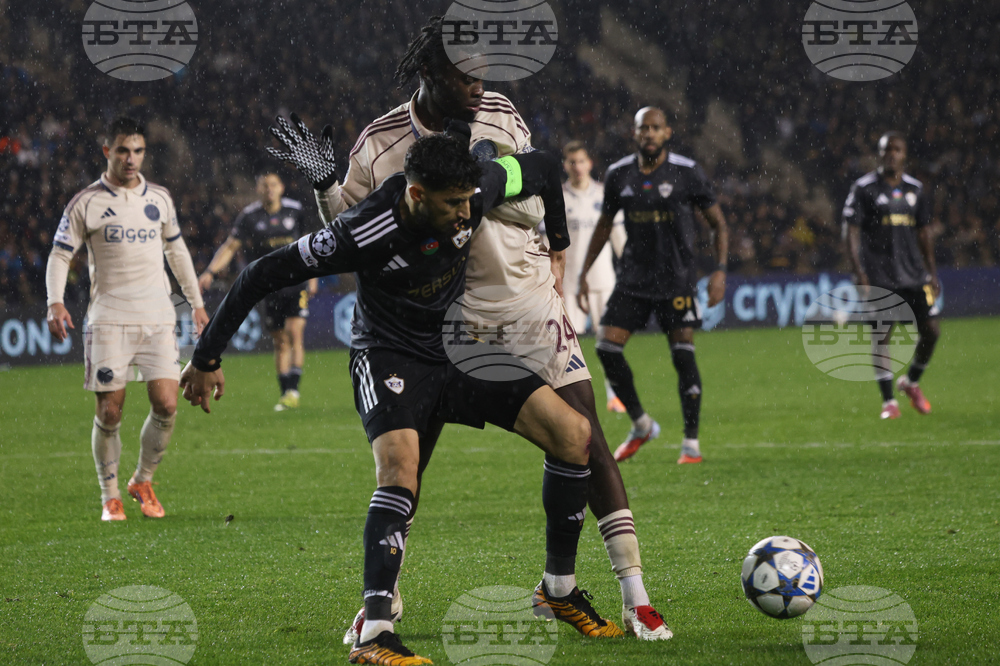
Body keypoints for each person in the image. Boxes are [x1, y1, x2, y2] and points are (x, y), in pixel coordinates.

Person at [280, 17, 672, 642]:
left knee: (583, 434)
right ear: (431, 72)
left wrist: (500, 203)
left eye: (484, 70)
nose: (480, 83)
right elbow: (354, 230)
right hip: (449, 318)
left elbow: (533, 194)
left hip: (526, 302)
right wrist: (326, 185)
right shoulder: (379, 144)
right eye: (466, 72)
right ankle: (382, 599)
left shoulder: (501, 116)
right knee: (409, 459)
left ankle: (634, 593)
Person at [181, 131, 620, 665]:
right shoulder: (363, 230)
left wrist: (557, 246)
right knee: (400, 468)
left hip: (459, 352)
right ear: (416, 196)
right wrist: (206, 358)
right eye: (453, 204)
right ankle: (375, 636)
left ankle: (557, 588)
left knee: (573, 434)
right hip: (389, 357)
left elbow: (546, 166)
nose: (467, 213)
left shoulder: (477, 186)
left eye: (468, 200)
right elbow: (258, 275)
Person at [45, 116, 208, 522]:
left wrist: (197, 302)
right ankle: (110, 495)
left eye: (137, 150)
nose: (131, 158)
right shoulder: (86, 203)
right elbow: (60, 254)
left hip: (157, 315)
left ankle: (142, 480)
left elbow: (178, 253)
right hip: (109, 318)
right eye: (122, 150)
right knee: (110, 412)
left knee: (167, 403)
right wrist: (55, 301)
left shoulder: (161, 199)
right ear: (107, 151)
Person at [578, 107, 728, 465]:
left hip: (676, 280)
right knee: (606, 349)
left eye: (655, 128)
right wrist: (584, 272)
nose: (649, 133)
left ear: (667, 133)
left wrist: (720, 270)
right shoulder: (618, 174)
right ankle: (641, 424)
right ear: (634, 133)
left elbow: (718, 224)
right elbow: (604, 224)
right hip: (632, 279)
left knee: (682, 356)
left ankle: (691, 444)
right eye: (643, 128)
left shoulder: (686, 172)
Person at [198, 173, 318, 411]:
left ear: (281, 187)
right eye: (264, 186)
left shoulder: (296, 211)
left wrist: (314, 276)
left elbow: (310, 243)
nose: (269, 189)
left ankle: (293, 390)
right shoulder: (249, 217)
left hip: (296, 283)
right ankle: (286, 392)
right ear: (258, 189)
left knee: (295, 333)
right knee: (280, 341)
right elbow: (231, 246)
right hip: (269, 287)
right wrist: (211, 270)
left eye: (273, 184)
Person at [843, 132, 940, 420]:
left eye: (897, 150)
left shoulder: (916, 189)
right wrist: (858, 270)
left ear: (904, 155)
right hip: (879, 275)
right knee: (882, 336)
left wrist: (932, 271)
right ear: (880, 153)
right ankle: (889, 402)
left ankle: (911, 382)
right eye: (887, 149)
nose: (891, 154)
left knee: (932, 332)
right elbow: (851, 229)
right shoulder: (864, 188)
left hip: (913, 274)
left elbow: (923, 231)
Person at [560, 141, 628, 413]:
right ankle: (572, 399)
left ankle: (616, 396)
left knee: (609, 343)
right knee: (566, 346)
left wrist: (630, 273)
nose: (577, 167)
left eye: (581, 161)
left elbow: (620, 240)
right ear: (565, 165)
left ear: (590, 163)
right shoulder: (557, 197)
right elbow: (545, 241)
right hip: (567, 283)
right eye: (571, 162)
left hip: (603, 281)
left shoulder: (605, 195)